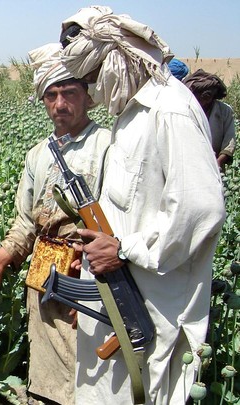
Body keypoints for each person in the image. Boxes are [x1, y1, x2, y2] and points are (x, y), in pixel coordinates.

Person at [59, 6, 226, 404]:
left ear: (117, 58)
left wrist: (122, 249)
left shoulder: (169, 110)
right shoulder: (131, 112)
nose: (92, 90)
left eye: (93, 77)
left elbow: (202, 210)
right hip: (117, 300)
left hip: (151, 313)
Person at [0, 43, 111, 405]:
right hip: (45, 272)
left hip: (91, 275)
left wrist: (95, 277)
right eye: (51, 95)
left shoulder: (108, 146)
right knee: (48, 372)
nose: (60, 103)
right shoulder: (39, 154)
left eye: (69, 93)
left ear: (89, 98)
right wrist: (1, 259)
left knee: (91, 371)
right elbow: (26, 223)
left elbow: (118, 224)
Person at [184, 69, 236, 170]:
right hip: (190, 165)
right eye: (199, 97)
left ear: (212, 97)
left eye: (206, 96)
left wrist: (218, 162)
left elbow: (230, 142)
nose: (201, 101)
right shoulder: (186, 109)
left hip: (215, 165)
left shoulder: (224, 110)